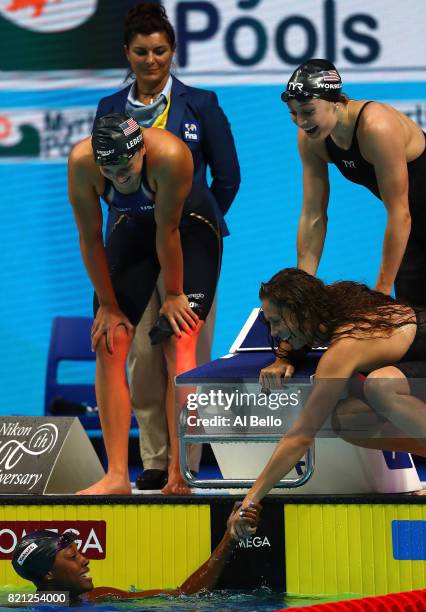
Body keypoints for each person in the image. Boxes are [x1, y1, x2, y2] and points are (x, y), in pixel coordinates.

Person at [94, 2, 240, 490]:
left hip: (191, 242)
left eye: (160, 50)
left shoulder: (202, 103)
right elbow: (106, 185)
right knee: (137, 355)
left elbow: (228, 178)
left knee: (185, 349)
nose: (151, 60)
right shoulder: (109, 111)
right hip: (133, 245)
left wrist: (196, 222)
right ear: (127, 54)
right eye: (141, 52)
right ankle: (154, 458)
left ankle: (188, 462)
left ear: (173, 51)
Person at [68, 112, 222, 495]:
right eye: (111, 170)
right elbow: (90, 239)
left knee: (181, 338)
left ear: (142, 152)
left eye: (127, 166)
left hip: (190, 231)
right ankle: (117, 475)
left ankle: (179, 471)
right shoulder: (82, 163)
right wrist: (108, 305)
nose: (120, 177)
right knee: (111, 341)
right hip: (133, 232)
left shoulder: (171, 155)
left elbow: (167, 231)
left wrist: (173, 294)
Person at [228, 267, 426, 537]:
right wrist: (283, 359)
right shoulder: (333, 303)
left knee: (381, 385)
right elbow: (299, 339)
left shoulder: (345, 346)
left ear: (300, 312)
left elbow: (300, 436)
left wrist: (251, 499)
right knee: (348, 420)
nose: (274, 333)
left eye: (276, 322)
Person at [281, 58, 426, 306]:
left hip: (409, 220)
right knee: (414, 323)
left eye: (308, 111)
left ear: (336, 102)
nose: (302, 121)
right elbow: (313, 215)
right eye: (293, 113)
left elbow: (400, 214)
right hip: (415, 230)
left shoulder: (376, 127)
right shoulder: (311, 138)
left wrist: (379, 292)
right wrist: (302, 287)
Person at [11, 503, 260, 604]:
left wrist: (229, 539)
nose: (85, 559)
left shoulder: (99, 596)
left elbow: (182, 596)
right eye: (73, 557)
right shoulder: (21, 606)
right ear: (49, 575)